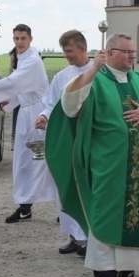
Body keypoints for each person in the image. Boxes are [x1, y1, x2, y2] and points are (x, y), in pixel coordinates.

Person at [45, 33, 139, 277]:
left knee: (137, 209)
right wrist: (92, 70)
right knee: (106, 210)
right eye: (126, 51)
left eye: (133, 52)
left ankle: (127, 264)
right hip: (107, 162)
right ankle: (103, 268)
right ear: (109, 53)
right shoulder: (95, 80)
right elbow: (69, 105)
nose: (132, 56)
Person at [0, 24, 54, 223]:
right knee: (23, 161)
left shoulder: (32, 60)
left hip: (38, 116)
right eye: (16, 38)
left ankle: (63, 207)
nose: (19, 42)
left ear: (30, 39)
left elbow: (13, 82)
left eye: (23, 38)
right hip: (26, 113)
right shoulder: (23, 59)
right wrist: (10, 101)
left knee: (42, 160)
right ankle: (25, 205)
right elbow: (21, 88)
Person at [35, 29, 92, 257]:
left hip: (89, 138)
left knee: (87, 187)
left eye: (69, 51)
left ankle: (89, 239)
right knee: (66, 185)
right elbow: (51, 103)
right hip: (66, 138)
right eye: (64, 52)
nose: (67, 55)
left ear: (82, 48)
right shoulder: (62, 77)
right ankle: (74, 236)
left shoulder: (99, 73)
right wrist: (44, 116)